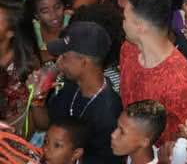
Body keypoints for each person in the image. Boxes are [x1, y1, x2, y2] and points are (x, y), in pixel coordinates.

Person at [32, 21, 123, 164]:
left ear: (84, 63)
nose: (58, 62)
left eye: (64, 57)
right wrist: (38, 97)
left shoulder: (109, 115)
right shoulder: (71, 84)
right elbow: (45, 125)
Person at [119, 0, 187, 144]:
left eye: (125, 18)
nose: (122, 22)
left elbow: (184, 138)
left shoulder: (179, 82)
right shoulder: (128, 49)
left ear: (140, 25)